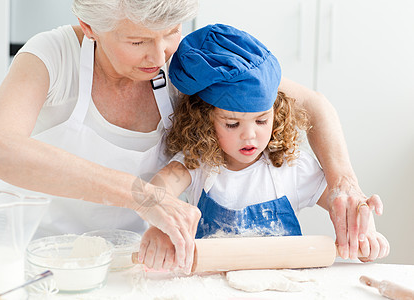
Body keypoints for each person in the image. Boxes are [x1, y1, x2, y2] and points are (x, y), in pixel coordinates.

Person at [0, 0, 380, 274]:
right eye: (138, 42)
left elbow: (313, 105)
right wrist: (141, 195)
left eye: (170, 31)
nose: (160, 56)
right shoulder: (54, 55)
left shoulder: (188, 65)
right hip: (35, 258)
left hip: (129, 261)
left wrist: (344, 183)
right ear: (90, 28)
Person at [137, 24, 389, 271]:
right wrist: (161, 224)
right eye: (232, 124)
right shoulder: (197, 163)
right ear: (204, 121)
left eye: (261, 120)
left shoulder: (292, 166)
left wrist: (362, 229)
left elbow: (343, 206)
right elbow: (159, 188)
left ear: (277, 113)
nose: (250, 135)